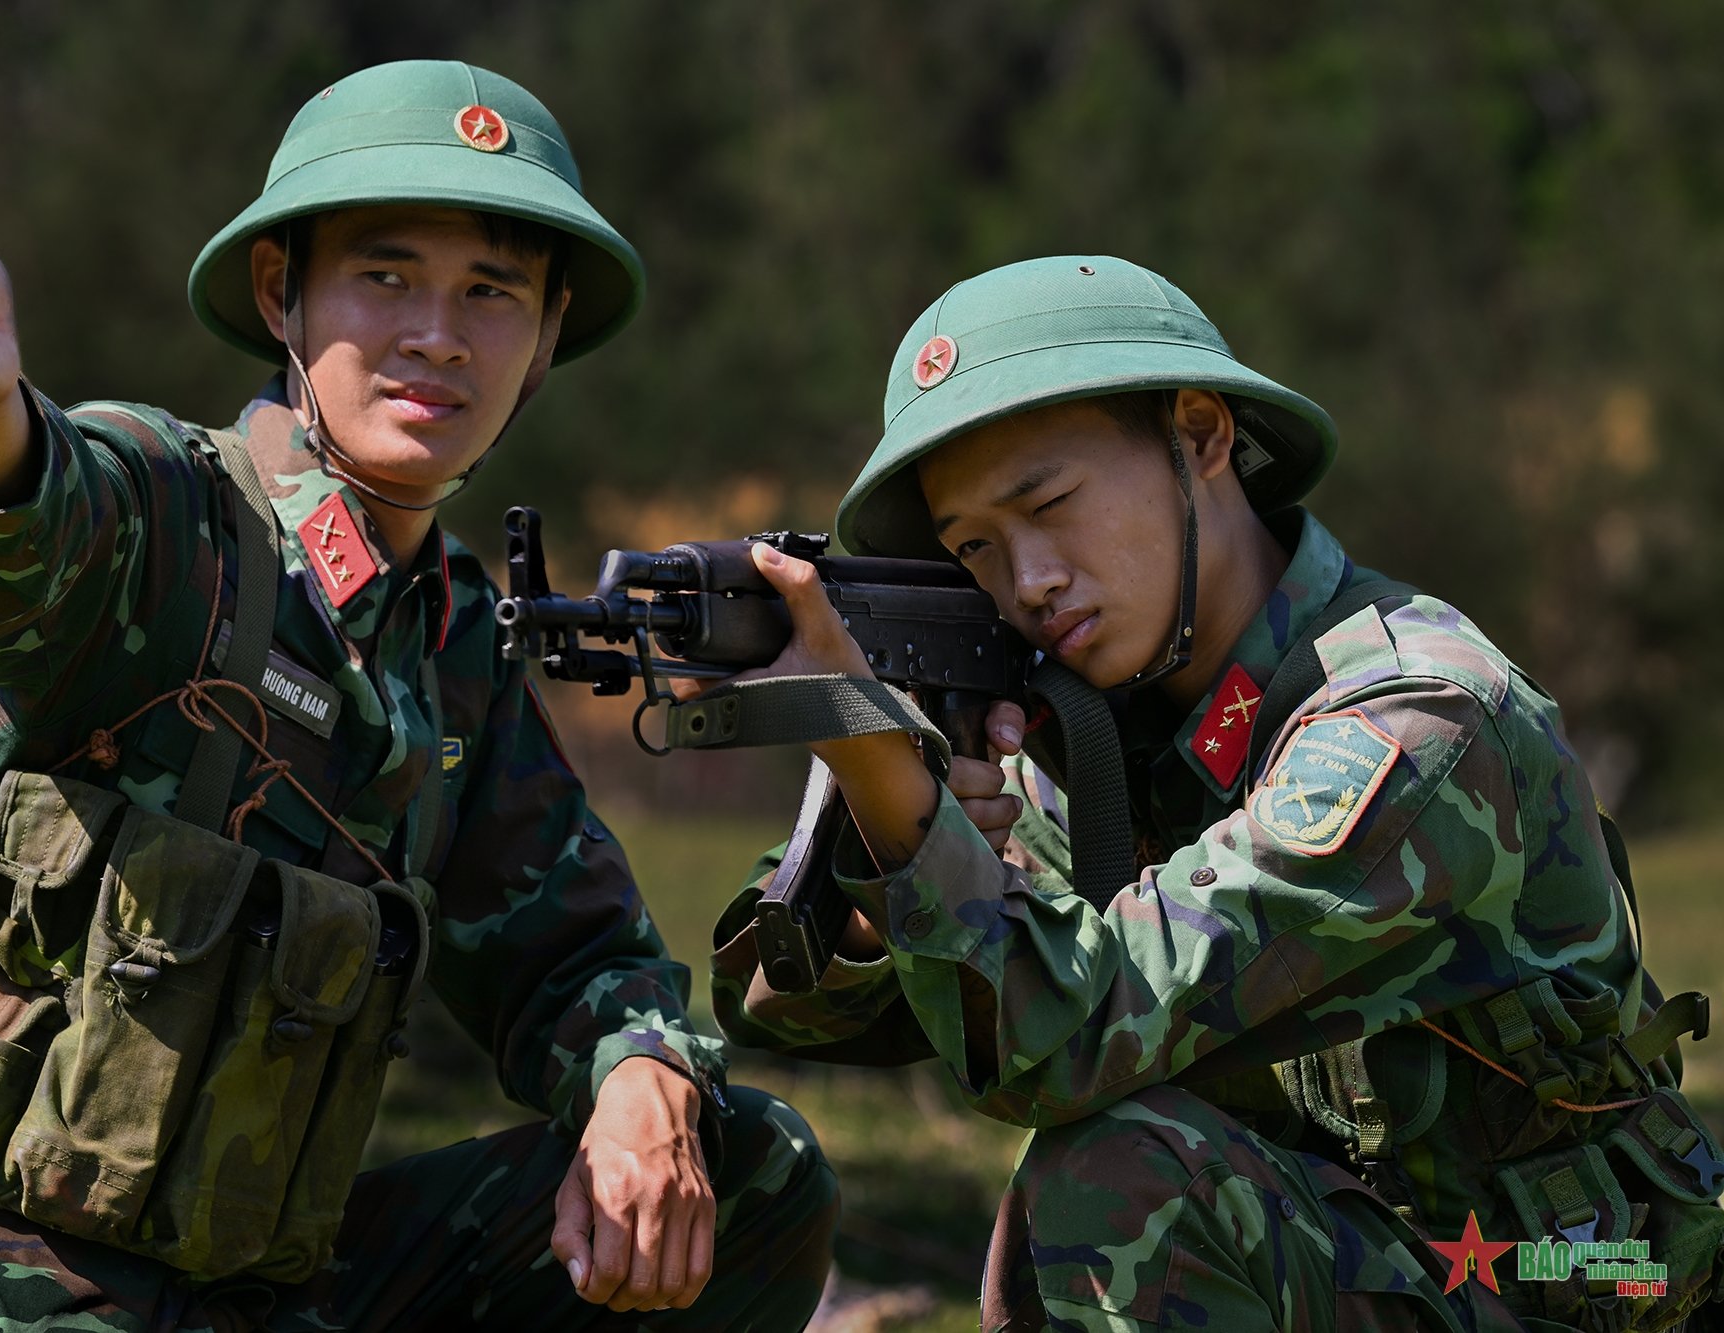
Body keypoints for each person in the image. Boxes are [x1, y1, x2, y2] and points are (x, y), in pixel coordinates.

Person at [0, 60, 835, 1332]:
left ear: (543, 339)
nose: (437, 332)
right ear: (280, 293)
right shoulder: (173, 509)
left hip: (239, 1292)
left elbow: (575, 955)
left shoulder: (452, 646)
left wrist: (641, 1073)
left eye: (492, 292)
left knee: (749, 1172)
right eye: (386, 276)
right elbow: (21, 543)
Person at [707, 255, 1723, 1330]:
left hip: (1588, 1280)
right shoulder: (1093, 737)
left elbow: (1053, 1040)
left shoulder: (1412, 721)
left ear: (1201, 436)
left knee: (1118, 1180)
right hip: (1389, 1256)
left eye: (1048, 503)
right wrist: (891, 844)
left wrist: (892, 790)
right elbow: (779, 1003)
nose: (1028, 580)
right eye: (976, 549)